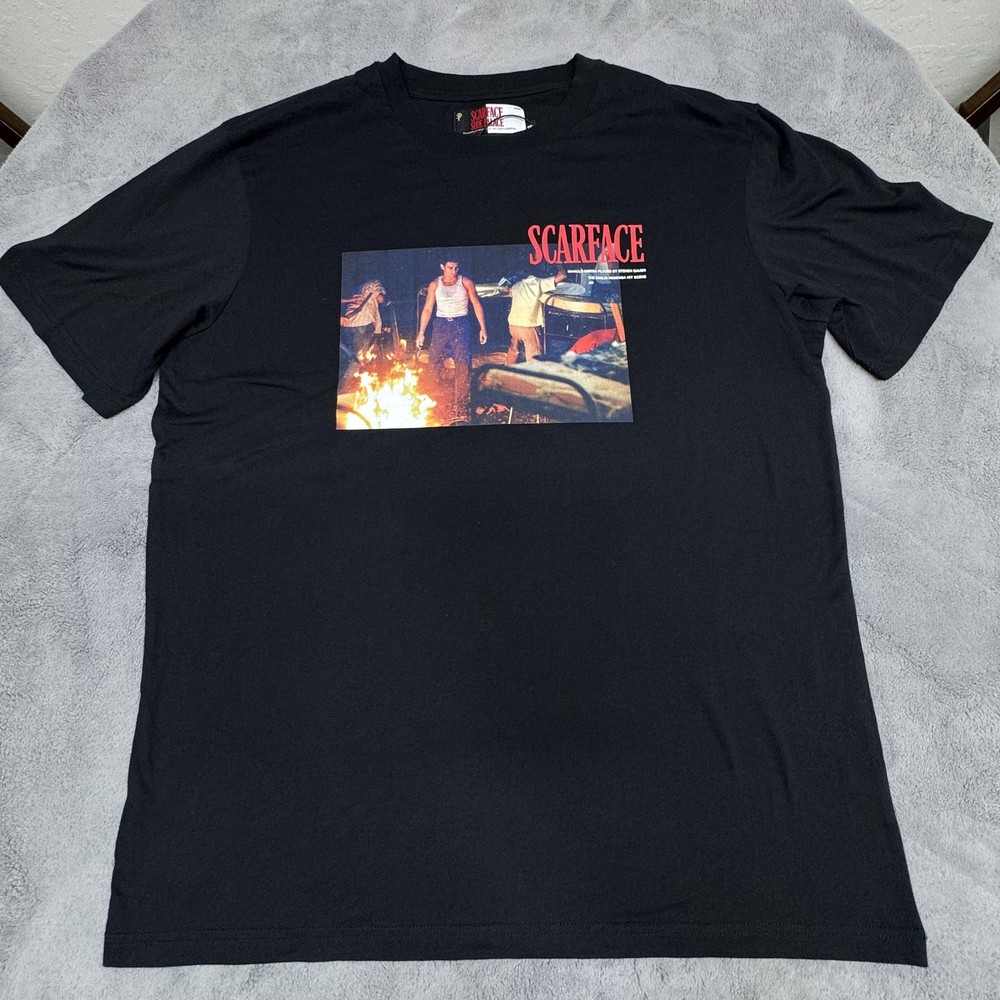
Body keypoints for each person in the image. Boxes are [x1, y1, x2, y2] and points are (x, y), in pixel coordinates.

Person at [415, 256, 487, 422]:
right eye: (450, 268)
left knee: (463, 363)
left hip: (460, 324)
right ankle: (431, 401)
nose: (454, 271)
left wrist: (483, 327)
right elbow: (428, 308)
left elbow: (476, 304)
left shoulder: (465, 282)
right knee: (433, 360)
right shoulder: (435, 284)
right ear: (442, 266)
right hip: (440, 324)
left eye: (456, 268)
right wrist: (421, 332)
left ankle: (462, 407)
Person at [506, 265, 567, 364]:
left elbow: (509, 292)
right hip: (528, 325)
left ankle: (507, 369)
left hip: (513, 324)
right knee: (534, 355)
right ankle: (534, 372)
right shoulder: (538, 283)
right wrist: (560, 265)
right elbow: (562, 276)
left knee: (514, 349)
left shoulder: (517, 285)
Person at [339, 279, 387, 390]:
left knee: (353, 355)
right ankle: (343, 388)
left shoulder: (359, 287)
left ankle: (359, 381)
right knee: (359, 358)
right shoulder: (375, 283)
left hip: (348, 324)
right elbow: (380, 298)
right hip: (363, 323)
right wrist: (387, 301)